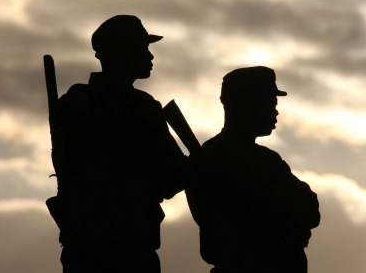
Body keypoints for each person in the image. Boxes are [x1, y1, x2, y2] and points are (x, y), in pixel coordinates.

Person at [49, 15, 188, 273]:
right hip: (91, 246)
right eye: (142, 49)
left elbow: (173, 175)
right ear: (119, 53)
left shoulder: (147, 107)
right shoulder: (80, 103)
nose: (150, 57)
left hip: (138, 245)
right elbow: (83, 166)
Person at [186, 66, 321, 273]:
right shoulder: (250, 159)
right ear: (248, 103)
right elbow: (307, 209)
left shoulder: (220, 155)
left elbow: (310, 211)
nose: (275, 111)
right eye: (269, 103)